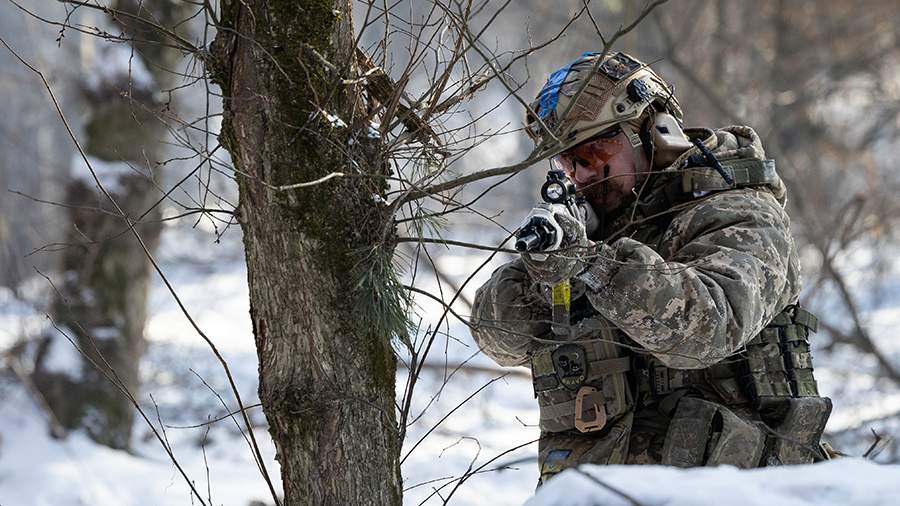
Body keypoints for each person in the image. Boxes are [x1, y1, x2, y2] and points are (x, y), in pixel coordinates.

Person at [470, 51, 832, 483]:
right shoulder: (594, 228)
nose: (581, 173)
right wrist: (543, 278)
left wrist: (594, 266)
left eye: (593, 150)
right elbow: (497, 338)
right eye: (567, 160)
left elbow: (709, 328)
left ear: (655, 132)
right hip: (600, 490)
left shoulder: (740, 213)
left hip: (735, 490)